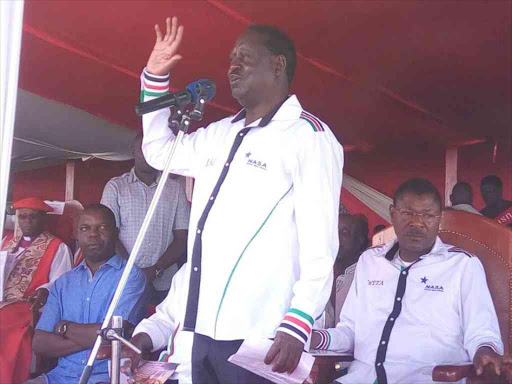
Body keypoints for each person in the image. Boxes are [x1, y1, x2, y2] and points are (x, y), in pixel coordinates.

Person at [140, 17, 343, 382]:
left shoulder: (308, 137)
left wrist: (298, 322)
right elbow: (159, 152)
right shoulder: (219, 133)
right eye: (231, 58)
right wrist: (154, 80)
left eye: (244, 57)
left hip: (262, 332)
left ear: (277, 65)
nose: (232, 66)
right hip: (202, 328)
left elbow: (321, 242)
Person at [311, 178, 504, 384]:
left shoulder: (463, 266)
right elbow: (350, 331)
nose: (417, 223)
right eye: (408, 213)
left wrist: (485, 352)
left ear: (439, 218)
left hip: (429, 379)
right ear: (392, 214)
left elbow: (483, 333)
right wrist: (313, 338)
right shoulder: (370, 261)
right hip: (362, 378)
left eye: (428, 215)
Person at [27, 204, 147, 384]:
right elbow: (40, 343)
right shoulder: (63, 283)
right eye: (85, 228)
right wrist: (96, 337)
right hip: (59, 378)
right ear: (76, 234)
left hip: (107, 378)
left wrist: (64, 328)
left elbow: (115, 334)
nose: (93, 234)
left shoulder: (130, 276)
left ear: (115, 232)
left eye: (102, 227)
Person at [101, 133, 189, 304]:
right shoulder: (116, 187)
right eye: (142, 148)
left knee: (161, 327)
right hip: (124, 278)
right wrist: (134, 271)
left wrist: (156, 269)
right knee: (122, 327)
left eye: (153, 148)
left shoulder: (175, 189)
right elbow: (109, 234)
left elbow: (182, 238)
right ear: (133, 151)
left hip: (165, 281)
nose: (148, 153)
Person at [0, 197, 72, 384]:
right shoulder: (6, 241)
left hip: (28, 304)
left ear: (44, 219)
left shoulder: (58, 247)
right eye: (23, 217)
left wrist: (43, 290)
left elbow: (61, 282)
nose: (27, 221)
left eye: (33, 217)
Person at [120, 263, 192, 384]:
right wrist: (139, 340)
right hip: (173, 372)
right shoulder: (189, 269)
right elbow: (167, 318)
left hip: (208, 374)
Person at [316, 213, 369, 329]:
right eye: (333, 232)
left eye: (345, 233)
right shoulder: (318, 273)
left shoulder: (368, 276)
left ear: (360, 241)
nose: (336, 238)